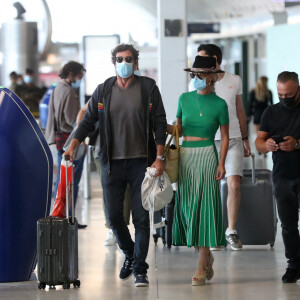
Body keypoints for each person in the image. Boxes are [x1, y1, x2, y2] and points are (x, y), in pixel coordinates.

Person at [64, 43, 167, 287]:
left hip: (142, 163)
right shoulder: (103, 90)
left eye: (129, 58)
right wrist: (72, 145)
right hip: (111, 164)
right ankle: (130, 253)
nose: (125, 63)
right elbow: (88, 121)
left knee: (141, 219)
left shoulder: (148, 88)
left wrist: (159, 156)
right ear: (114, 62)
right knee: (114, 216)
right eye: (120, 59)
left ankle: (140, 269)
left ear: (136, 62)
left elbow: (160, 123)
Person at [169, 56, 229, 286]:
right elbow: (178, 130)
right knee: (187, 209)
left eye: (202, 74)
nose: (198, 78)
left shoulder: (220, 104)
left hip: (206, 155)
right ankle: (205, 255)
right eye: (194, 74)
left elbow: (224, 137)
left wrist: (221, 163)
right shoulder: (184, 98)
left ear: (212, 76)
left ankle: (201, 265)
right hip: (185, 156)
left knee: (204, 208)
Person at [191, 44, 251, 251]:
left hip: (232, 138)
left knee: (234, 184)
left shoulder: (234, 80)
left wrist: (245, 138)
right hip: (206, 141)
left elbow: (240, 110)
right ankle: (212, 232)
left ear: (215, 59)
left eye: (202, 59)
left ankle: (231, 231)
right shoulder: (196, 82)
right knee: (210, 189)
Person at [255, 71, 300, 283]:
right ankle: (293, 265)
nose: (284, 99)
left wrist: (297, 144)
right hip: (282, 176)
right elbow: (259, 141)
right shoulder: (270, 113)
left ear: (297, 90)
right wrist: (267, 145)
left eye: (289, 95)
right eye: (281, 95)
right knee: (288, 225)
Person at [76, 100, 131, 245]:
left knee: (125, 190)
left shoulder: (131, 93)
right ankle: (112, 228)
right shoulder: (102, 92)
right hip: (102, 150)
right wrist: (79, 130)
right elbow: (83, 111)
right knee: (108, 191)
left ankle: (121, 228)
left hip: (125, 149)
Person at [45, 61, 87, 229]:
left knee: (62, 180)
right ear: (71, 73)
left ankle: (59, 217)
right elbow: (72, 120)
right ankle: (68, 219)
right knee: (71, 181)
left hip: (59, 139)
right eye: (79, 76)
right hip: (70, 140)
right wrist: (86, 126)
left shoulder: (57, 89)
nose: (80, 80)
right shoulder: (68, 92)